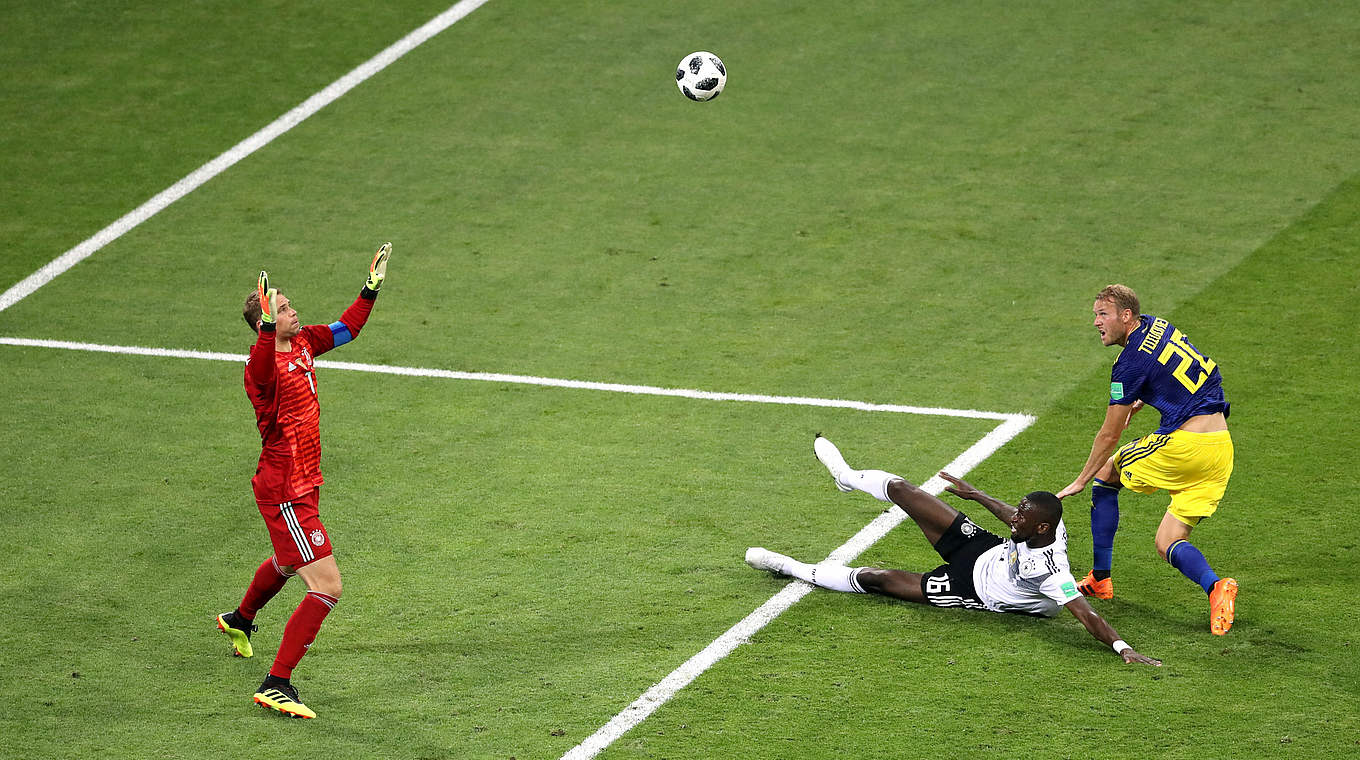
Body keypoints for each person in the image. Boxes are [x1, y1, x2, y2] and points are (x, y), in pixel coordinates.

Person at [745, 436, 1161, 666]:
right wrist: (977, 495)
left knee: (879, 579)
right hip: (986, 551)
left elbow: (1085, 614)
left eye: (1022, 517)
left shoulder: (1053, 573)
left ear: (1042, 528)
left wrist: (1124, 650)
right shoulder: (1035, 525)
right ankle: (846, 476)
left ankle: (788, 567)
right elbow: (1009, 519)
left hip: (976, 589)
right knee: (905, 491)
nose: (1013, 518)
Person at [215, 243, 391, 719]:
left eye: (289, 306)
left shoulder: (307, 341)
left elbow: (346, 328)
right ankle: (277, 682)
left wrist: (369, 288)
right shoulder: (259, 368)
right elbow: (266, 363)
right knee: (327, 585)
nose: (295, 312)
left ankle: (239, 619)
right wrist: (270, 326)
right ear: (265, 323)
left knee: (289, 563)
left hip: (304, 482)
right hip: (285, 488)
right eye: (285, 308)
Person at [1055, 284, 1237, 635]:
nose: (1096, 321)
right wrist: (1148, 398)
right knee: (1167, 541)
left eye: (1103, 314)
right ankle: (1216, 588)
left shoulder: (1129, 363)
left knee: (1107, 474)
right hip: (1219, 447)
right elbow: (1204, 376)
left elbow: (1109, 435)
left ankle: (1100, 579)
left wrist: (1081, 478)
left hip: (1186, 446)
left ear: (1126, 316)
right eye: (1095, 314)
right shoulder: (1159, 325)